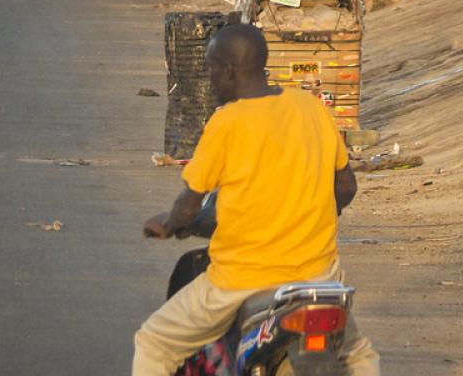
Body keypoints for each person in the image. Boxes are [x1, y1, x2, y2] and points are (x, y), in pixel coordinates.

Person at [131, 24, 380, 376]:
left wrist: (167, 224)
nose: (210, 77)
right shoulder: (310, 108)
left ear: (229, 70)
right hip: (319, 276)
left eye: (211, 68)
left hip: (240, 281)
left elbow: (189, 206)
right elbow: (346, 187)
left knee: (154, 343)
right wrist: (314, 211)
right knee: (358, 355)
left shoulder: (227, 123)